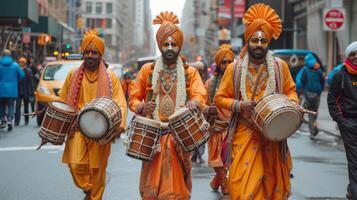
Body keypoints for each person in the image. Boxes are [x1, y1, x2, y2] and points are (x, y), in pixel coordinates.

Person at [214, 3, 299, 199]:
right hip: (244, 133)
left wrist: (292, 104)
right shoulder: (234, 69)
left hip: (272, 137)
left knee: (271, 189)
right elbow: (219, 98)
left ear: (268, 42)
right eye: (254, 40)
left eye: (263, 40)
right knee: (243, 189)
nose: (259, 44)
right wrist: (239, 105)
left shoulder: (280, 67)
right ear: (247, 40)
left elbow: (291, 91)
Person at [128, 11, 206, 199]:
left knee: (175, 188)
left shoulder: (190, 73)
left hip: (179, 135)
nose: (170, 48)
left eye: (174, 44)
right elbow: (132, 97)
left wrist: (193, 103)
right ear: (160, 45)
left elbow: (200, 95)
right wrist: (140, 107)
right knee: (152, 188)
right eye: (166, 44)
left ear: (179, 46)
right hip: (153, 136)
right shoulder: (148, 70)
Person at [58, 29, 127, 200]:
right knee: (75, 165)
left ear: (100, 54)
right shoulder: (73, 75)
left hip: (101, 128)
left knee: (97, 168)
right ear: (83, 53)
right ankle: (89, 189)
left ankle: (95, 197)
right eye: (87, 52)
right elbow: (63, 97)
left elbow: (119, 102)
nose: (90, 55)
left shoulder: (110, 77)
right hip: (77, 127)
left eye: (94, 52)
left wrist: (120, 125)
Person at [328, 41, 357, 200]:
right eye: (353, 54)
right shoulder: (340, 75)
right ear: (348, 56)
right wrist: (341, 121)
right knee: (355, 162)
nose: (356, 57)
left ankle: (351, 189)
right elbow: (332, 100)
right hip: (349, 123)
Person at [204, 44, 234, 197]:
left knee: (230, 162)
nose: (227, 65)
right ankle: (224, 186)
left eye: (230, 62)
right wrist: (208, 109)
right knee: (218, 161)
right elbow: (202, 102)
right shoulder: (209, 84)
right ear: (218, 64)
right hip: (215, 128)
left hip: (234, 128)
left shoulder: (237, 83)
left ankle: (216, 181)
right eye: (224, 62)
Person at [295, 53, 325, 138]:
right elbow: (322, 81)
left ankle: (312, 130)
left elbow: (300, 81)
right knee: (314, 112)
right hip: (317, 96)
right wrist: (320, 91)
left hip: (307, 95)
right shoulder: (318, 70)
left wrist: (300, 91)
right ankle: (314, 127)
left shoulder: (305, 70)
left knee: (305, 112)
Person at [0, 49, 25, 131]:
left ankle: (3, 119)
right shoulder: (15, 65)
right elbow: (22, 75)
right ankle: (10, 120)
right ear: (10, 55)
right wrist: (15, 79)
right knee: (11, 105)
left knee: (1, 105)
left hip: (1, 90)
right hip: (12, 90)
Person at [15, 57, 35, 126]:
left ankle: (26, 120)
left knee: (26, 107)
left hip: (26, 91)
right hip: (18, 91)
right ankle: (16, 121)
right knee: (18, 106)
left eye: (22, 62)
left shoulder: (28, 70)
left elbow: (31, 81)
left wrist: (32, 91)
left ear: (25, 63)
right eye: (20, 62)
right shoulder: (17, 70)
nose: (21, 63)